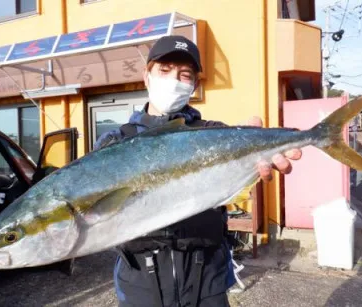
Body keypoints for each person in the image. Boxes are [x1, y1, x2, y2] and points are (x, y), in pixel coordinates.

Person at [93, 35, 302, 307]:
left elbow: (235, 173)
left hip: (207, 278)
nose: (173, 80)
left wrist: (253, 147)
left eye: (184, 74)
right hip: (140, 283)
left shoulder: (213, 133)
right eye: (164, 71)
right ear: (147, 76)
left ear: (193, 85)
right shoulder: (115, 142)